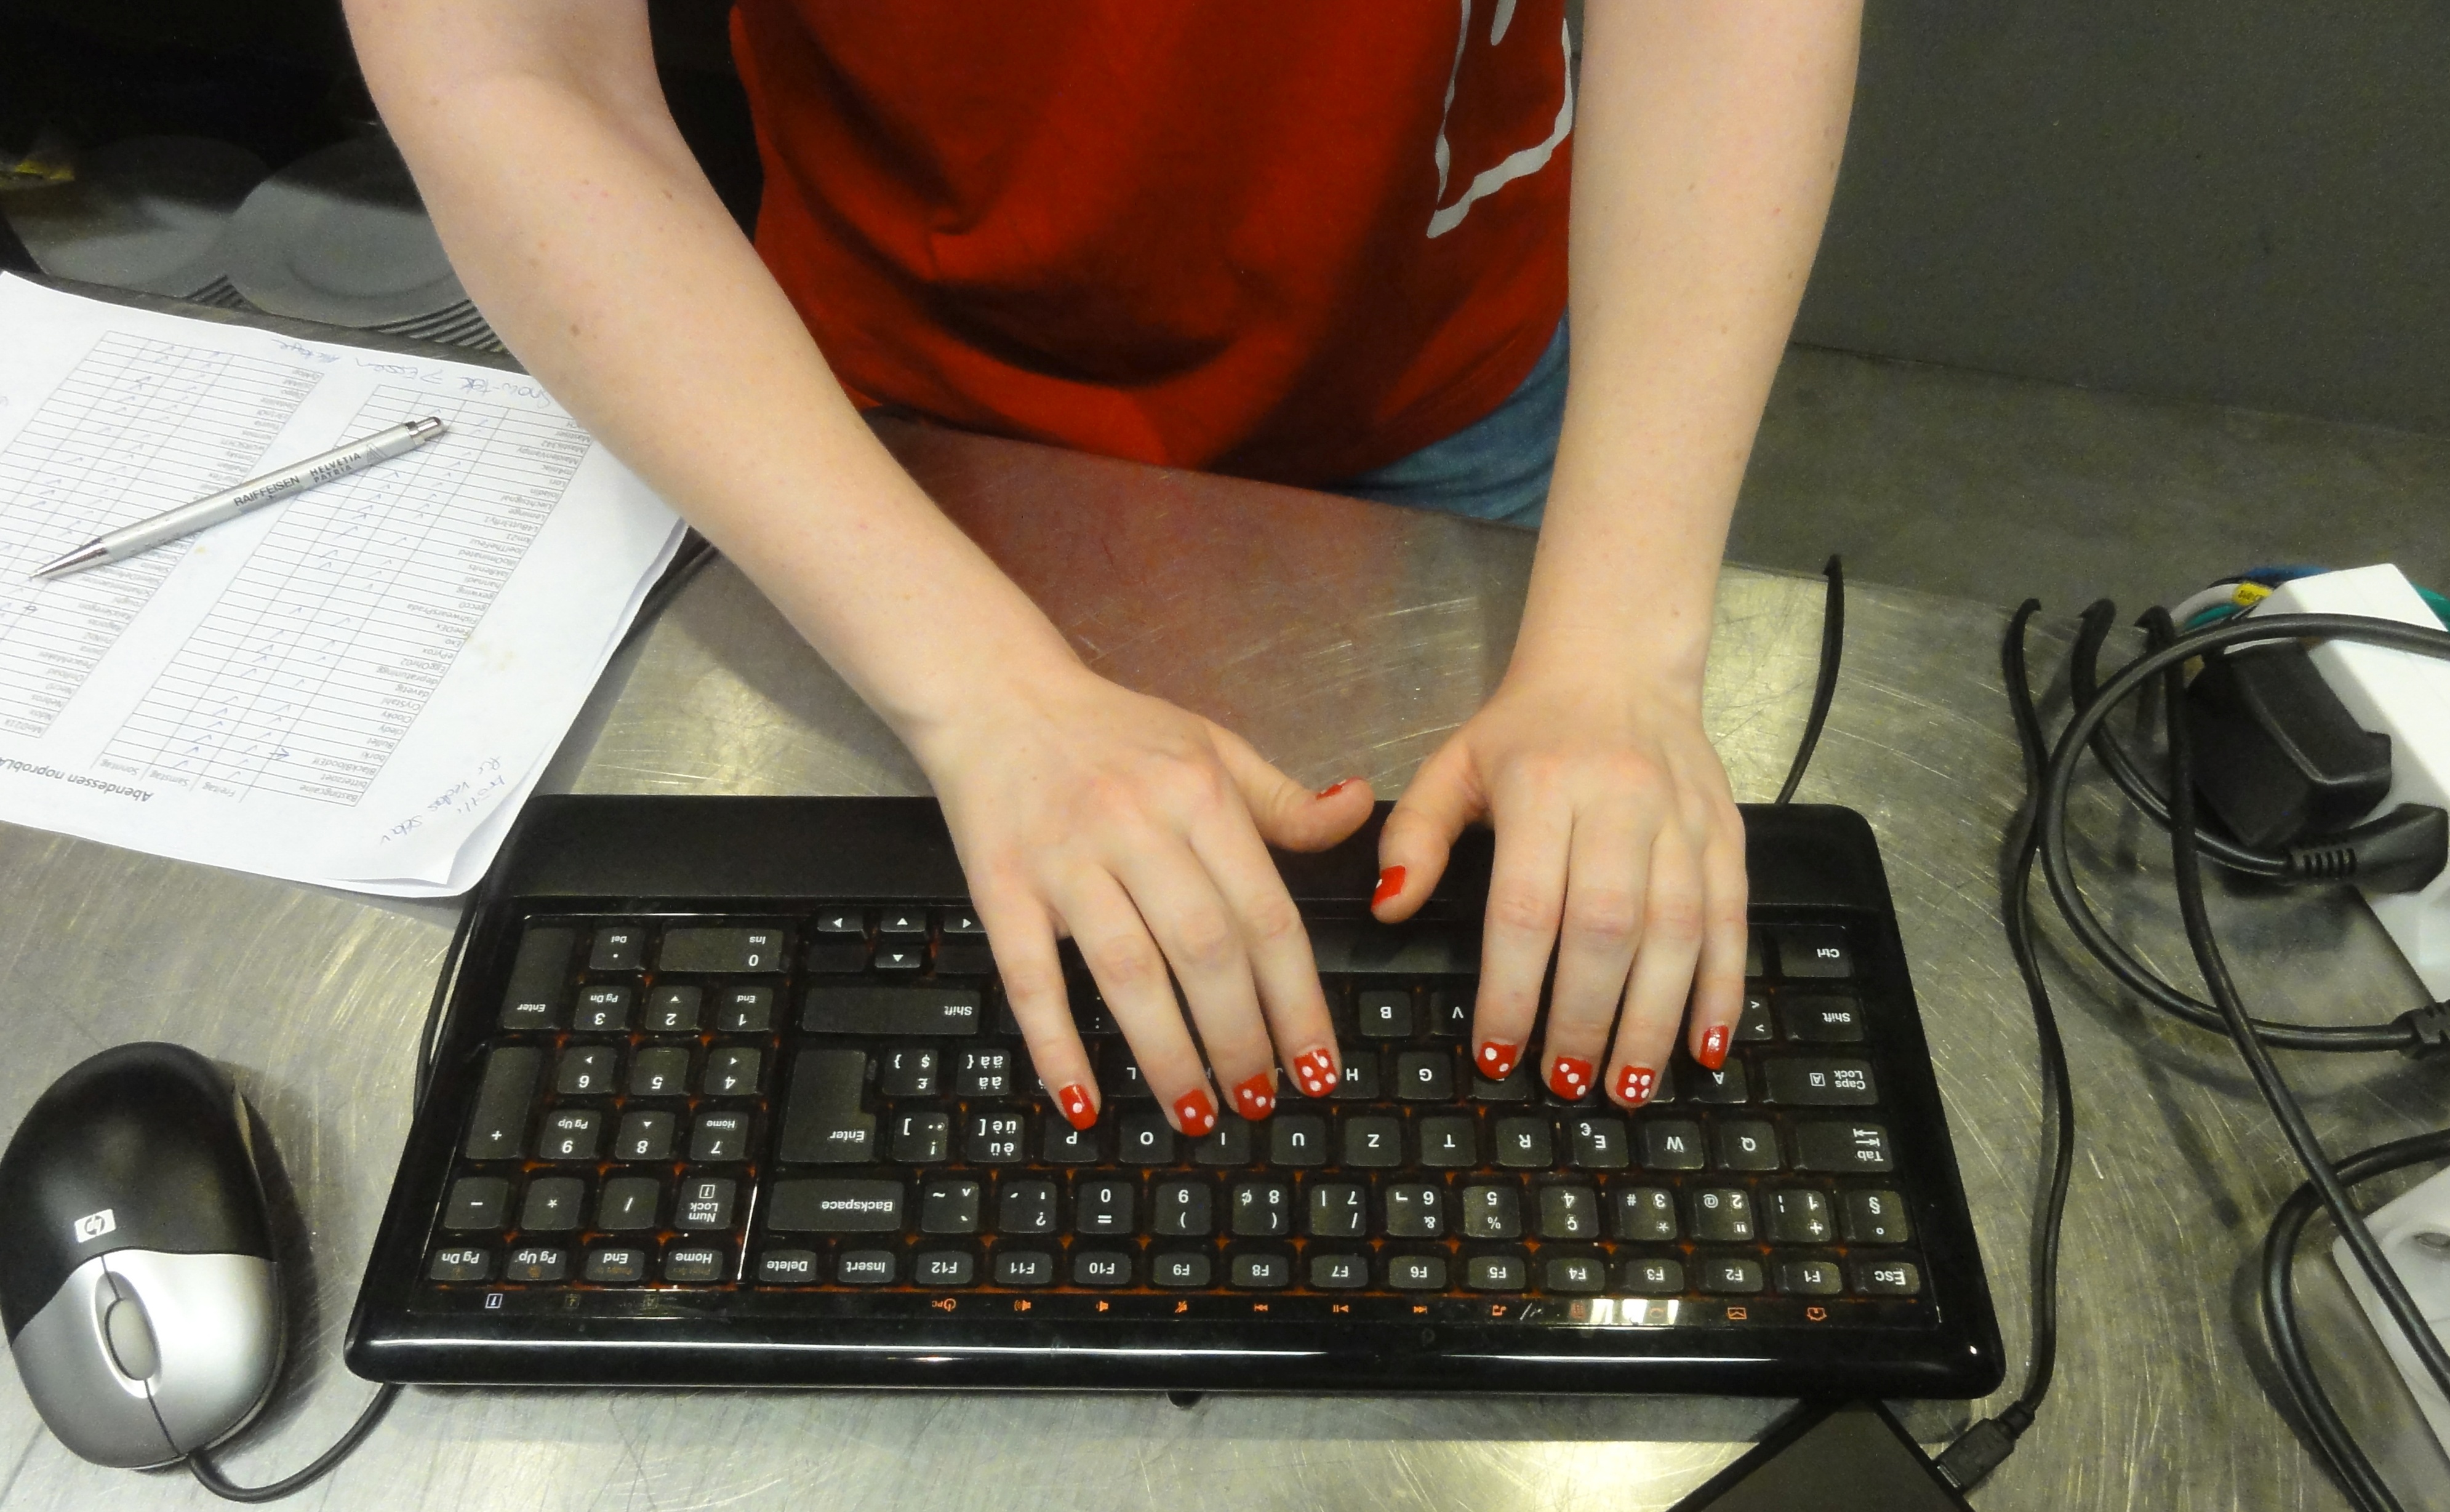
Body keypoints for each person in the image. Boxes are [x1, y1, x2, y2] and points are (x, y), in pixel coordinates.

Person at [344, 0, 1862, 1133]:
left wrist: (1617, 655)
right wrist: (983, 691)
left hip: (1436, 334)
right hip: (890, 404)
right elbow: (507, 65)